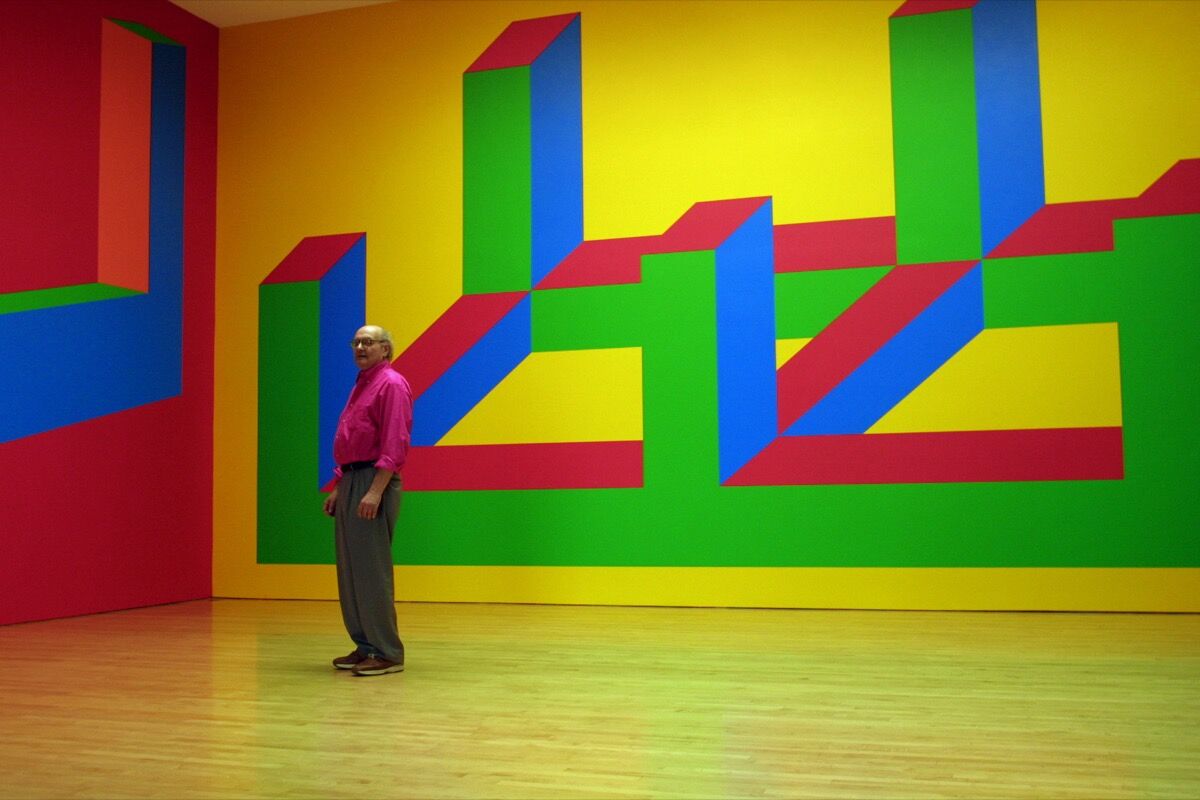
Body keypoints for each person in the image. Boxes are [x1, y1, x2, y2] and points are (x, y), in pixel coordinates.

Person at [322, 324, 413, 677]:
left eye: (368, 342)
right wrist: (339, 486)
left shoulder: (391, 384)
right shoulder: (363, 384)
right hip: (351, 479)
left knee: (371, 572)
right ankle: (365, 645)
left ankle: (387, 652)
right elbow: (352, 441)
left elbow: (394, 441)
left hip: (374, 481)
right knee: (350, 571)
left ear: (385, 349)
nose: (360, 347)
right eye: (356, 342)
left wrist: (374, 490)